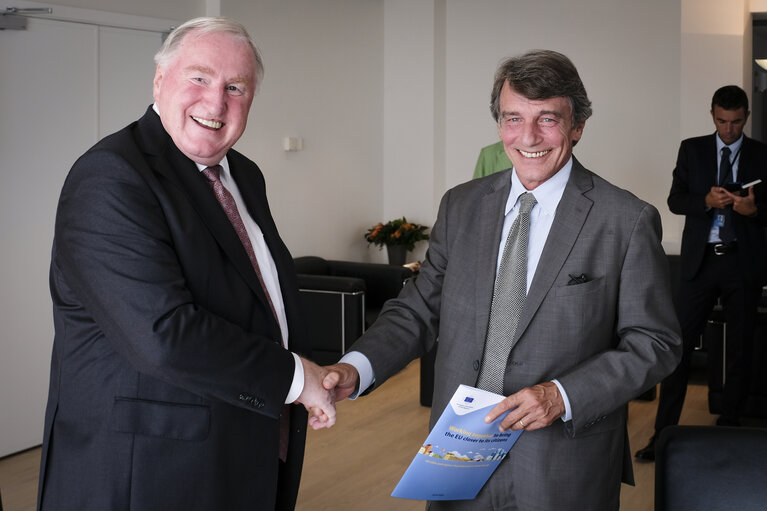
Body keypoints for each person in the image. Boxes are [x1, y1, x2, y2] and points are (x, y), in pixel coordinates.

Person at [324, 50, 682, 510]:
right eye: (514, 118)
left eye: (547, 118)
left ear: (577, 126)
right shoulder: (461, 206)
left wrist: (561, 395)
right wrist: (356, 367)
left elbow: (656, 342)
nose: (528, 136)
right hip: (457, 455)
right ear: (499, 125)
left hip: (562, 465)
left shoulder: (625, 220)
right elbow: (418, 310)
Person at [38, 17, 335, 511]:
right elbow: (163, 335)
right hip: (147, 467)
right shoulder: (111, 176)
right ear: (159, 80)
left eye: (235, 87)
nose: (216, 102)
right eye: (198, 77)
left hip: (238, 445)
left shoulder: (242, 173)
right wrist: (297, 378)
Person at [635, 85, 767, 461]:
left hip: (743, 262)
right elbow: (675, 200)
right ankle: (661, 436)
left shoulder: (761, 155)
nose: (729, 130)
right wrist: (705, 202)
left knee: (741, 348)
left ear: (746, 117)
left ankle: (730, 426)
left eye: (736, 122)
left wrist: (752, 212)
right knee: (677, 348)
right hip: (700, 261)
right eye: (723, 121)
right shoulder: (692, 149)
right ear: (712, 115)